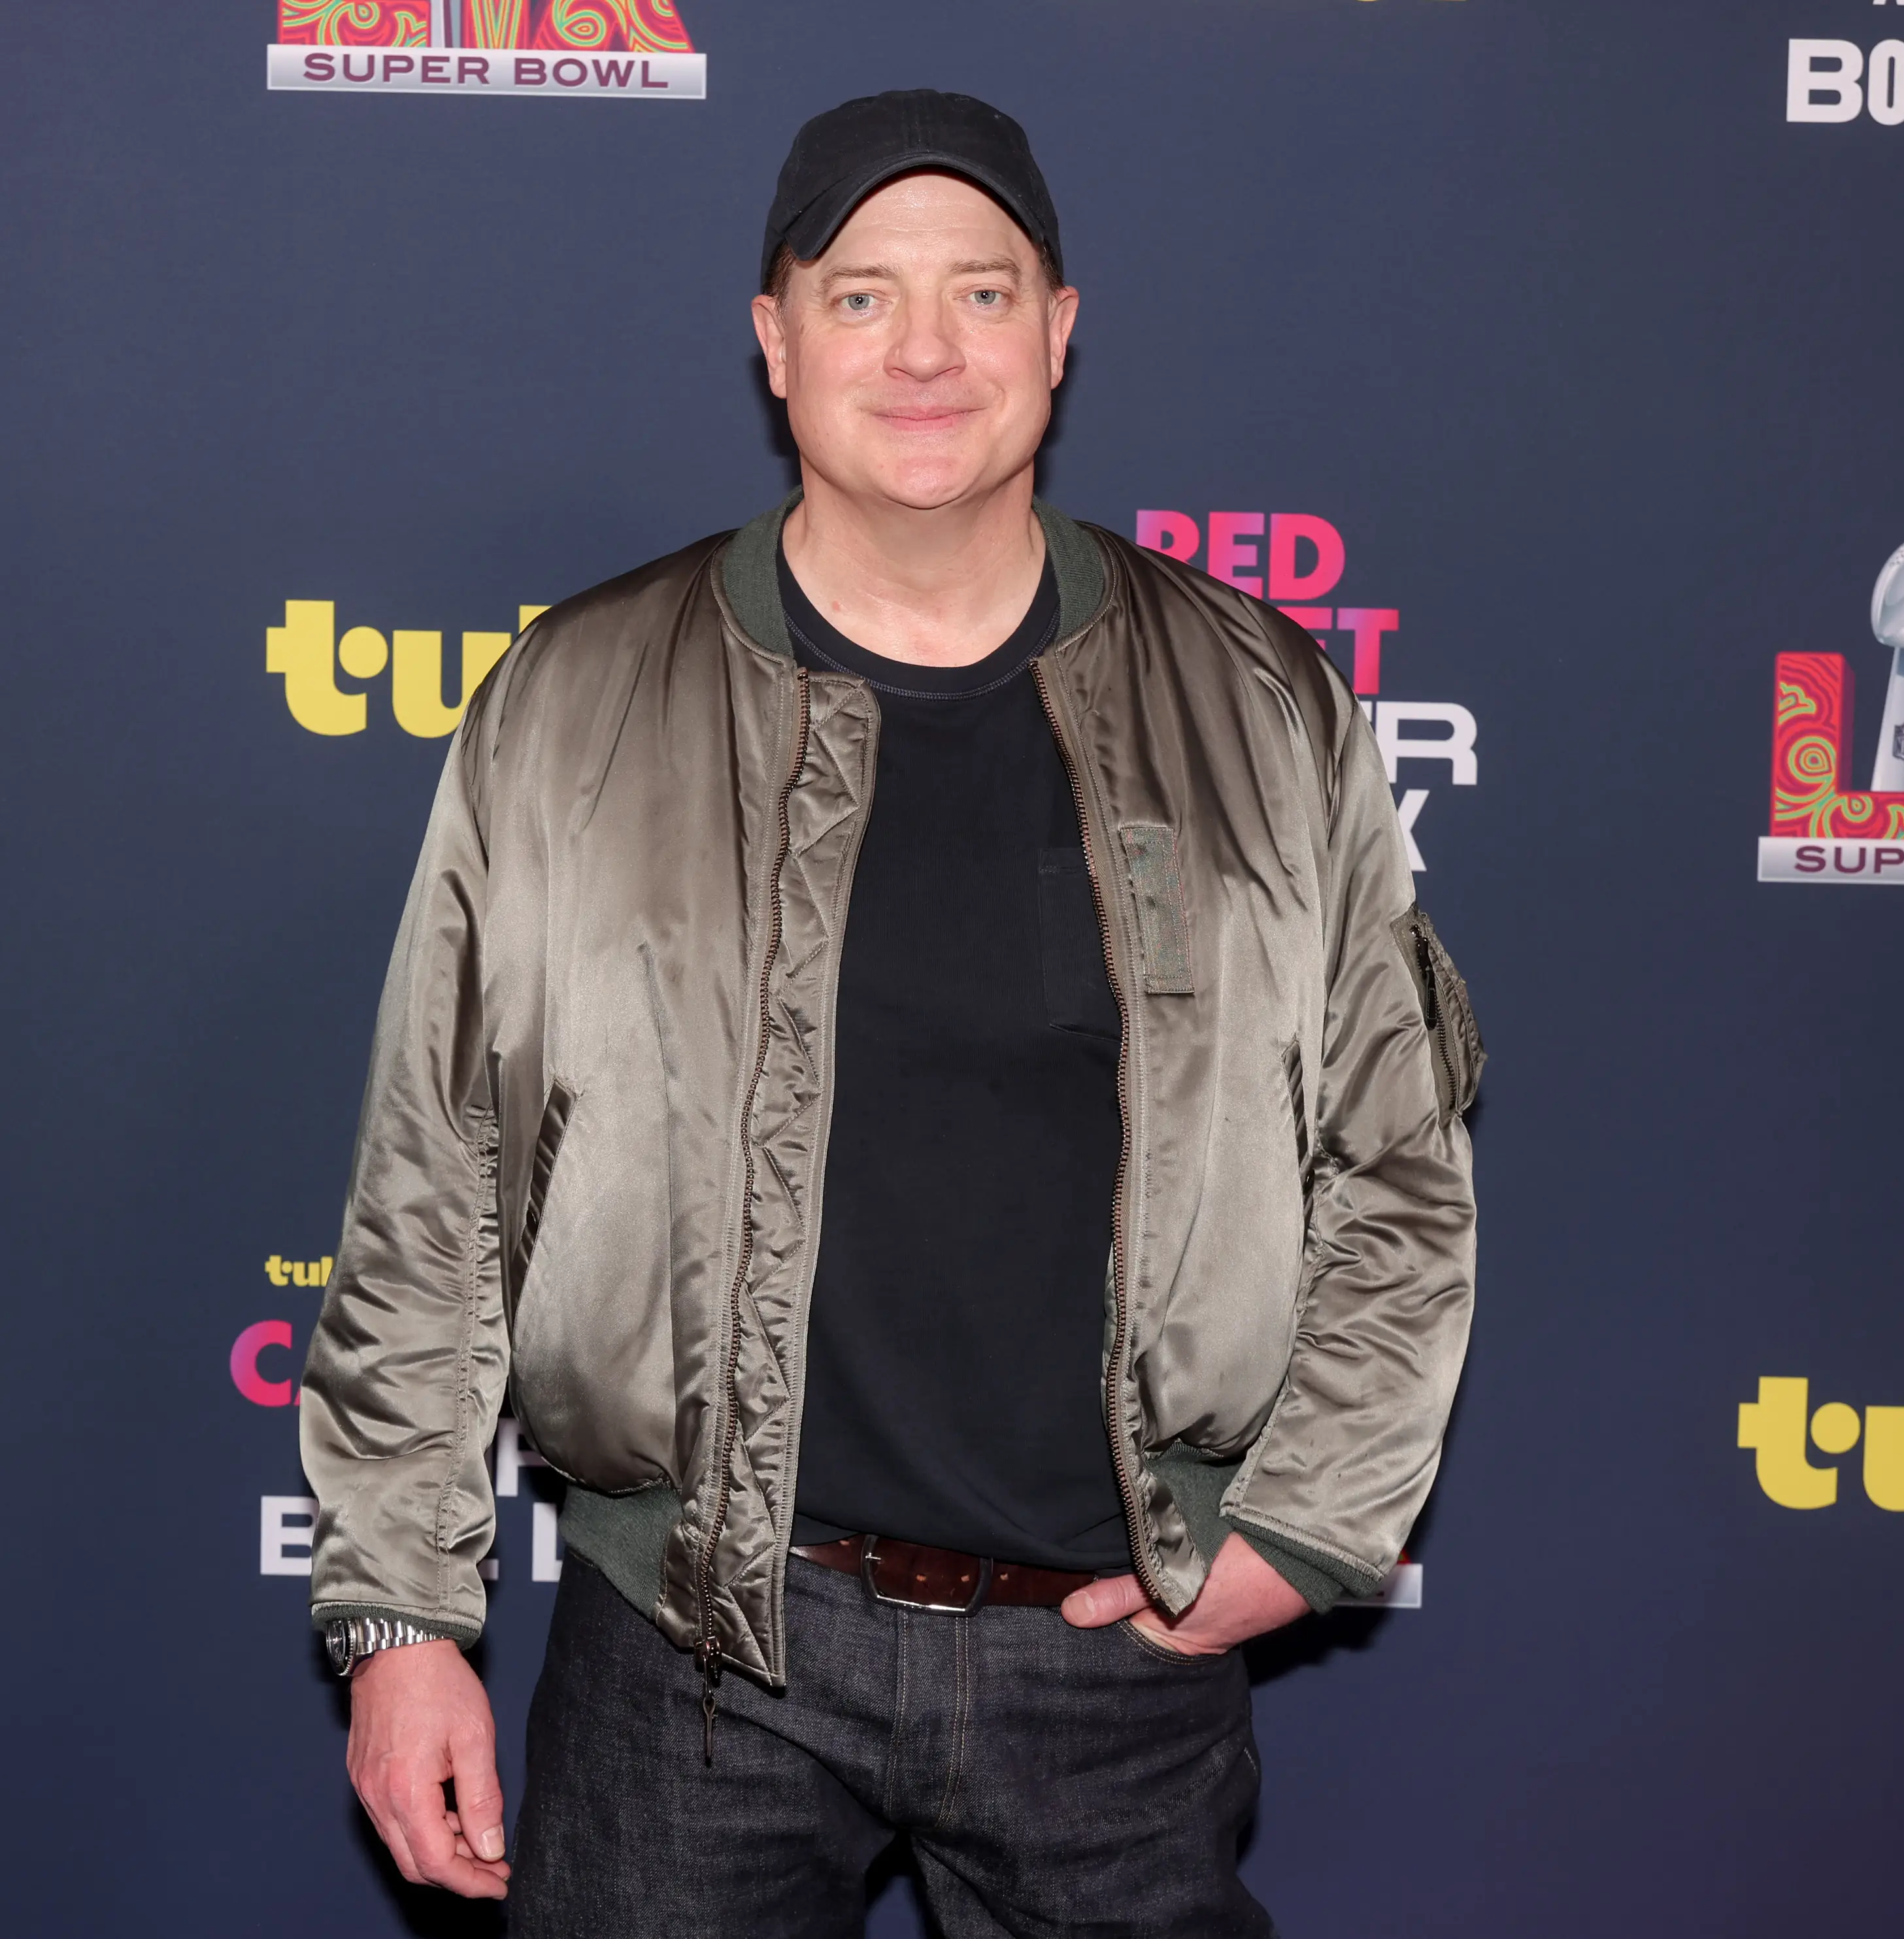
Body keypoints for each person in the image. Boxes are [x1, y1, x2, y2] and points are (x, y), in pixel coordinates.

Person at [299, 88, 1482, 1937]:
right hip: (695, 1650)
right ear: (775, 341)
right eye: (860, 296)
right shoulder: (576, 699)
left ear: (1060, 330)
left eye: (980, 292)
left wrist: (1306, 1525)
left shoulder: (1261, 701)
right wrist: (400, 1619)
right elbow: (436, 1178)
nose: (925, 350)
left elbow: (1398, 1163)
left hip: (1113, 1661)